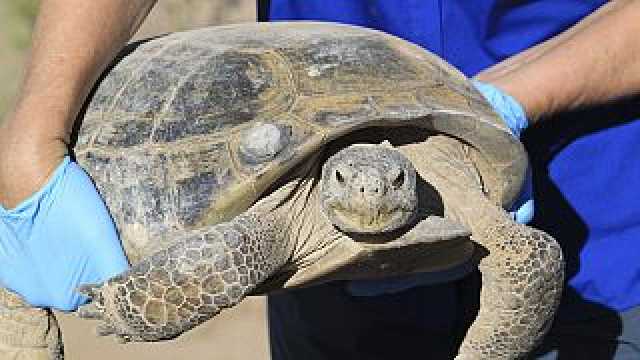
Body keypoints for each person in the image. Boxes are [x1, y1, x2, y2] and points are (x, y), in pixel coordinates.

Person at [0, 0, 638, 359]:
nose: (368, 196)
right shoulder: (282, 221)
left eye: (385, 185)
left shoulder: (447, 180)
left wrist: (494, 107)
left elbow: (529, 257)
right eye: (349, 184)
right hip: (326, 294)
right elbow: (235, 249)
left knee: (533, 263)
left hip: (598, 215)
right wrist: (28, 143)